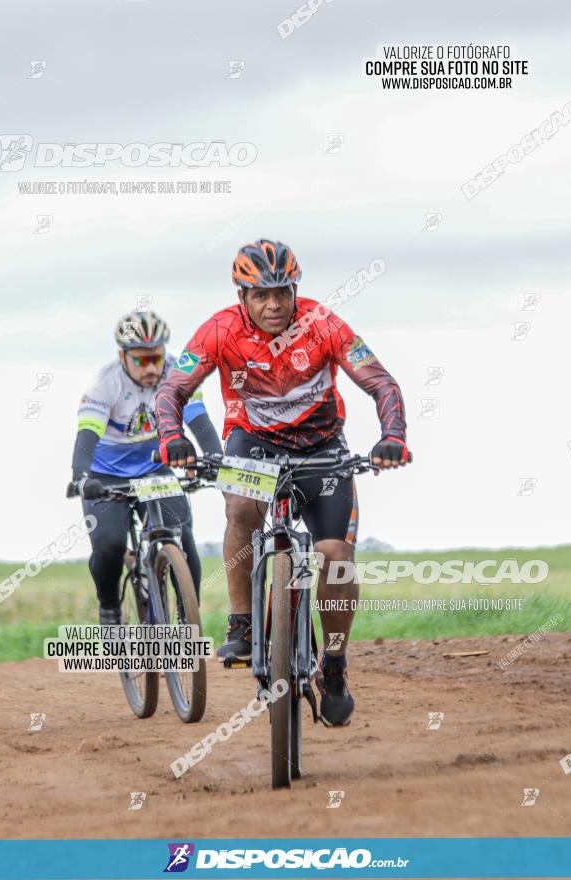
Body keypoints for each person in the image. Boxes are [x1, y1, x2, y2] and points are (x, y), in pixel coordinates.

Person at [155, 240, 410, 726]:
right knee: (240, 508)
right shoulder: (219, 330)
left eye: (283, 293)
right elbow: (173, 388)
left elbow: (381, 383)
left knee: (335, 557)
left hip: (322, 449)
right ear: (242, 296)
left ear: (296, 290)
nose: (274, 305)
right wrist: (174, 437)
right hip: (253, 444)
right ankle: (244, 624)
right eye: (260, 295)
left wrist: (391, 436)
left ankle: (333, 664)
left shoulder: (324, 324)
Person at [71, 310, 222, 626]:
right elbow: (86, 437)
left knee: (182, 533)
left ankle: (187, 620)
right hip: (106, 475)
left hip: (154, 470)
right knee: (110, 544)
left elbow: (199, 421)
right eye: (141, 360)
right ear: (123, 356)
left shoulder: (178, 373)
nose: (152, 367)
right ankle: (110, 607)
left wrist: (215, 457)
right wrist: (82, 476)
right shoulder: (104, 384)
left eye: (157, 357)